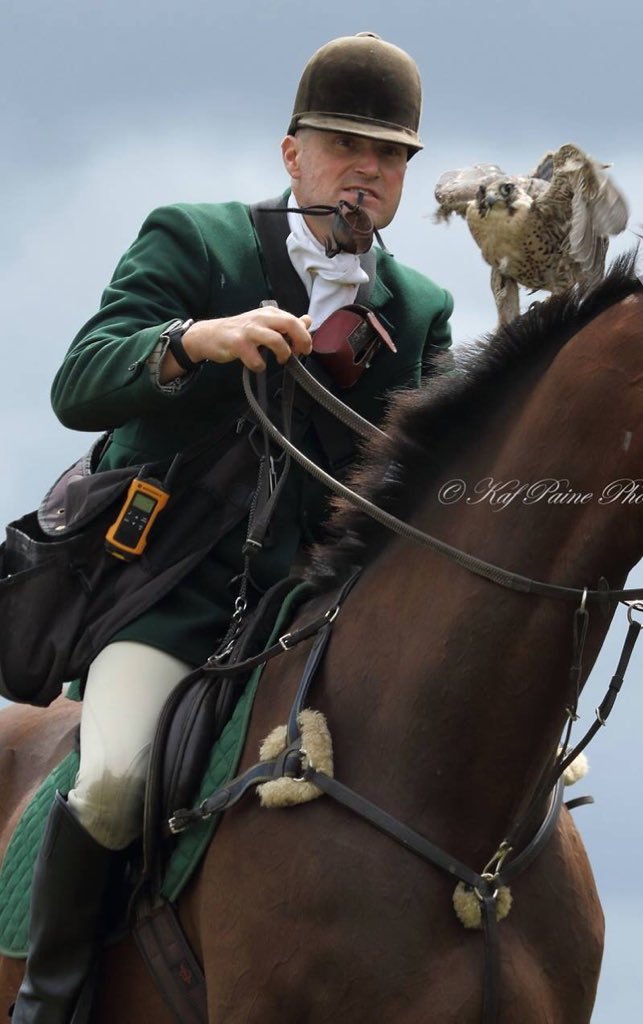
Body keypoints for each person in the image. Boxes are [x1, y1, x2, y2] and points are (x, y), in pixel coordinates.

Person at [12, 32, 453, 1023]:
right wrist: (191, 342)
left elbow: (430, 484)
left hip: (315, 621)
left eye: (389, 155)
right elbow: (79, 381)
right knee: (117, 775)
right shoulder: (195, 240)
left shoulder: (418, 307)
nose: (366, 169)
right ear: (293, 153)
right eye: (345, 144)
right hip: (168, 599)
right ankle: (51, 998)